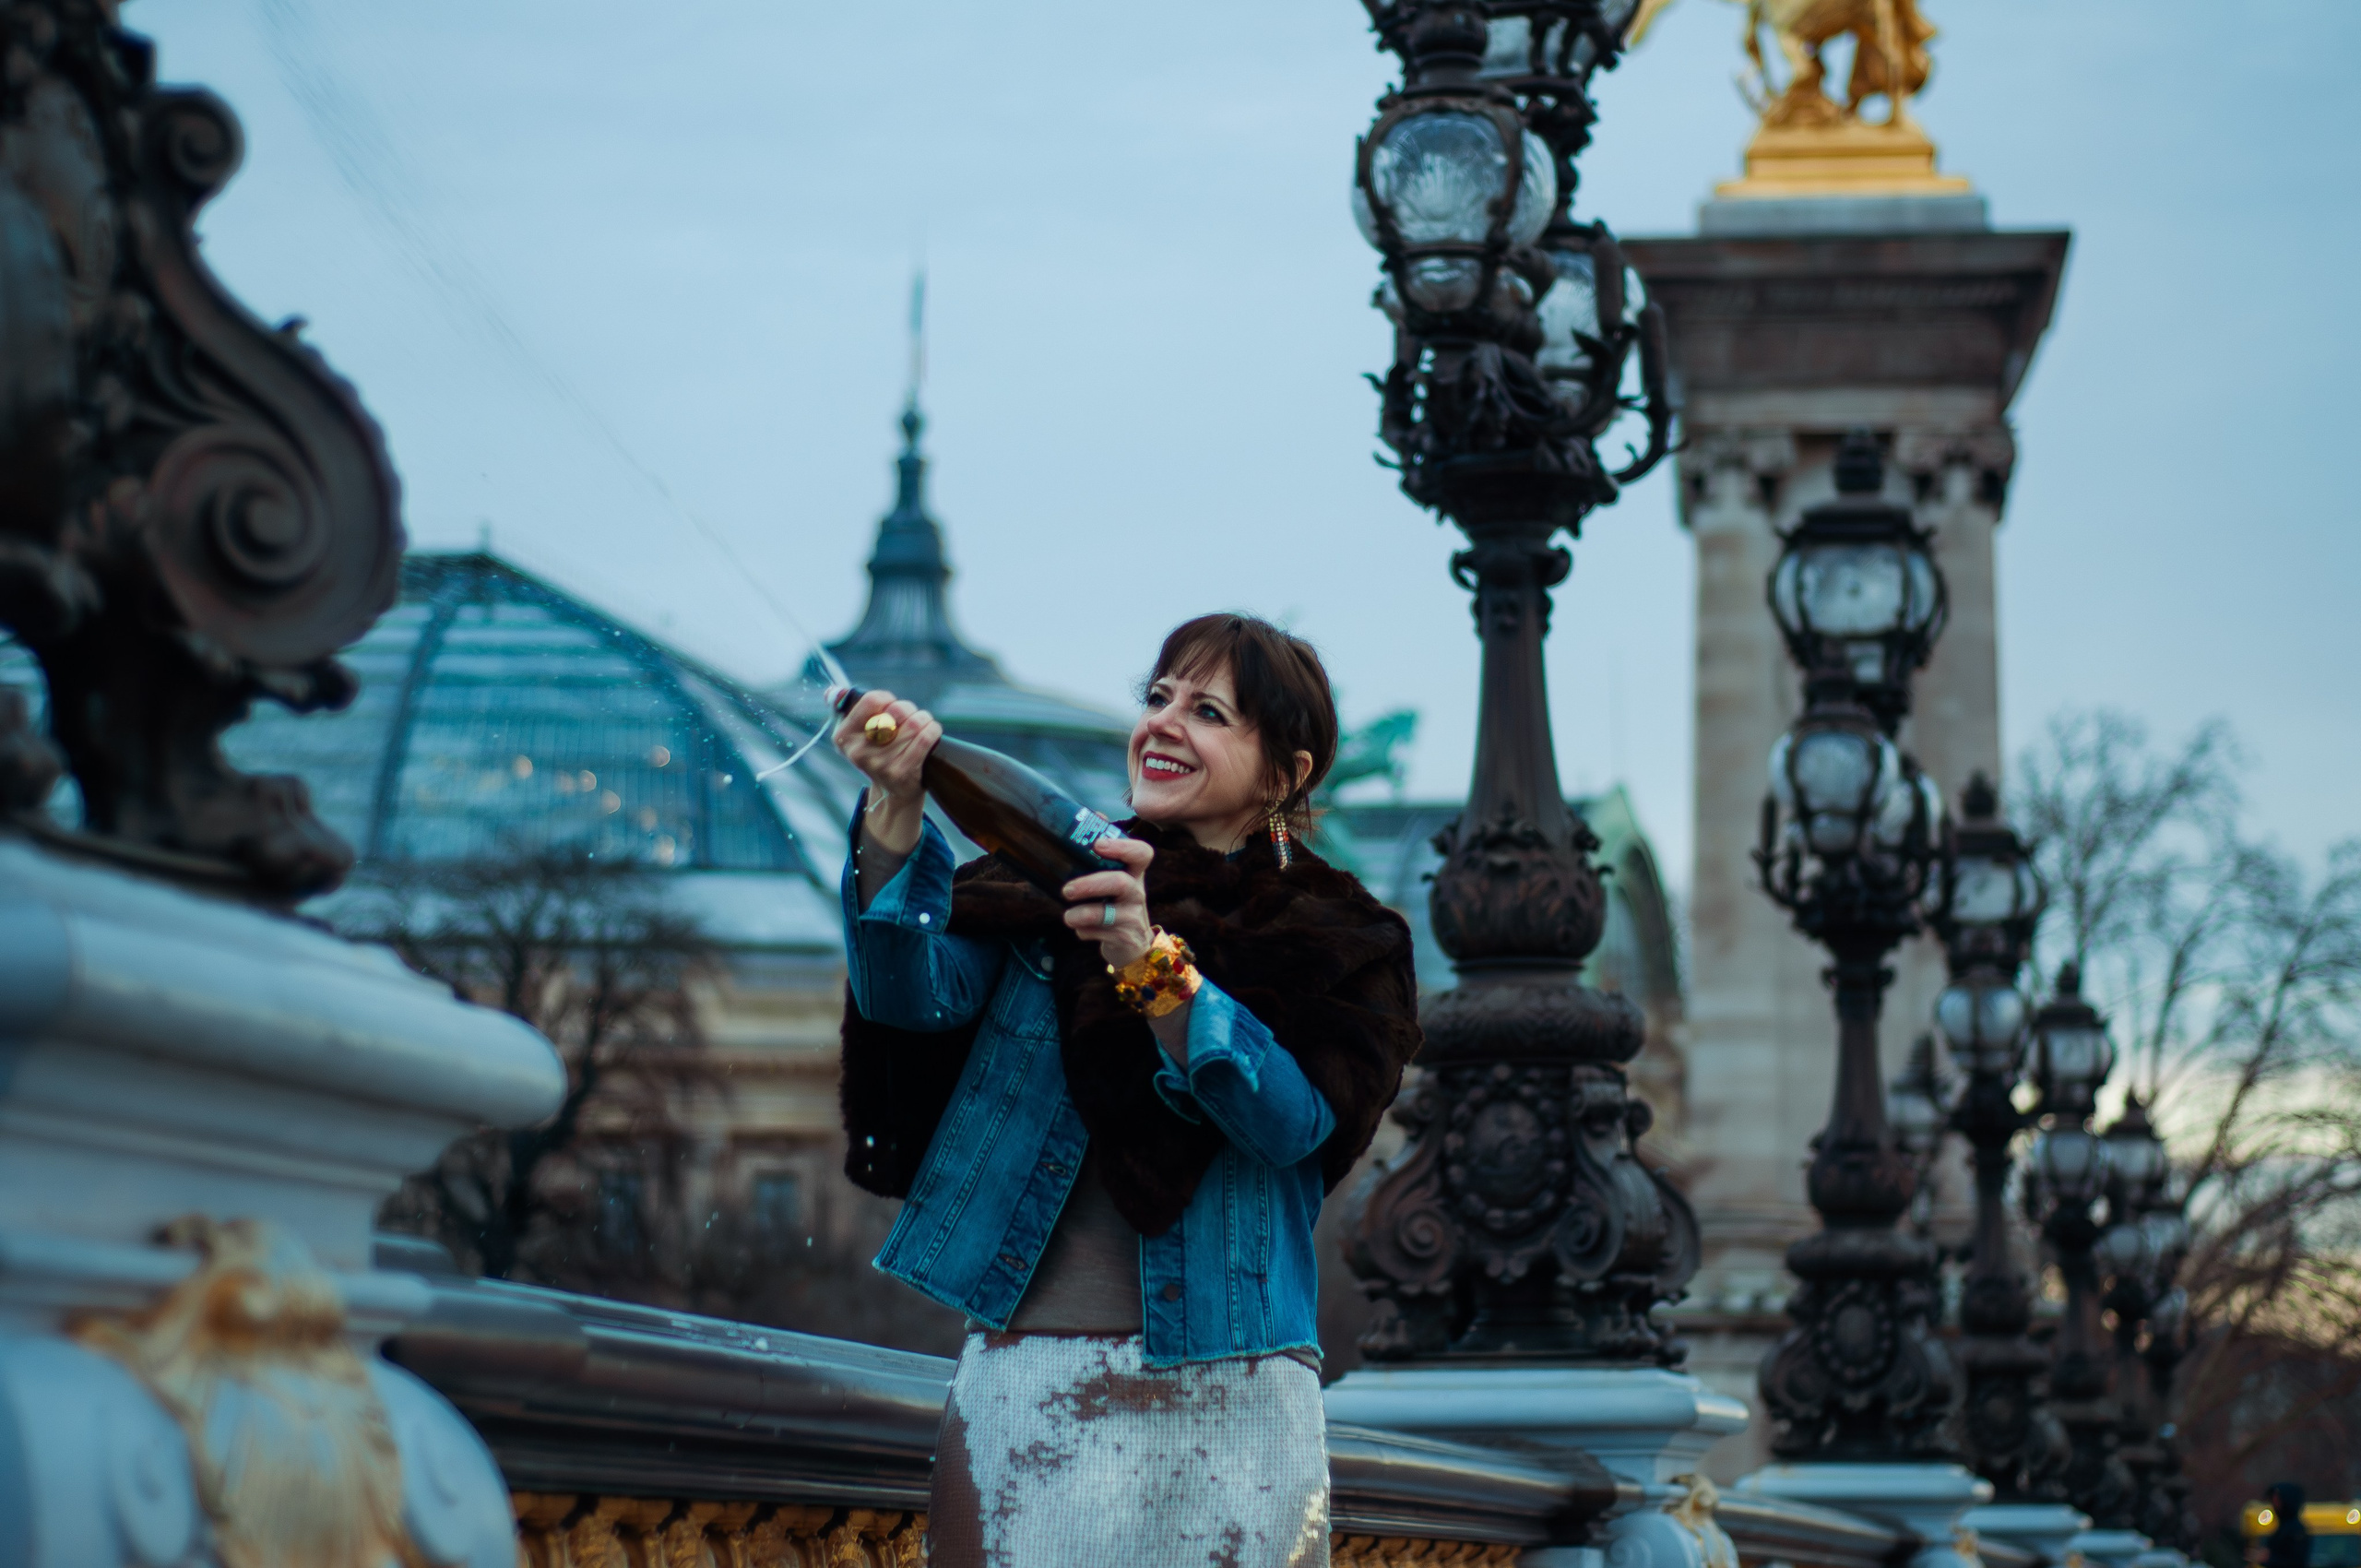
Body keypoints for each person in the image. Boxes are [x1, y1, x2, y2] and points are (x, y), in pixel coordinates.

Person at [832, 613, 1423, 1568]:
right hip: (1027, 1390)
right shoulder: (1043, 883)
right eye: (1157, 697)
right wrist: (895, 812)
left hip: (1234, 1394)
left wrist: (1152, 966)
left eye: (1208, 711)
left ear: (1284, 773)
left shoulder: (1342, 938)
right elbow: (904, 997)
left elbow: (1289, 1124)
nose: (1163, 723)